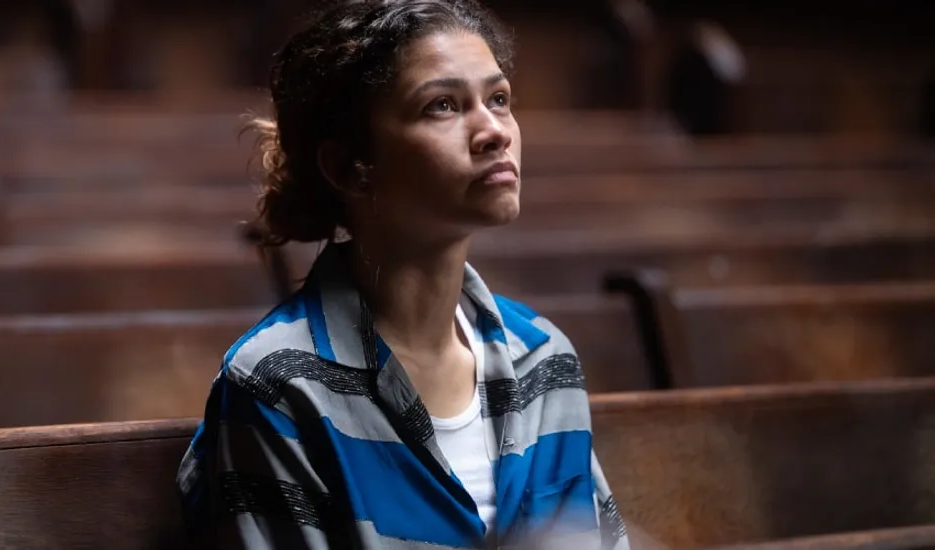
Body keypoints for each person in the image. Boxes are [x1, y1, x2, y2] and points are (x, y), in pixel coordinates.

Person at [177, 1, 629, 548]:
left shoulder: (544, 360)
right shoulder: (279, 386)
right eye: (442, 105)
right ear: (349, 166)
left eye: (499, 99)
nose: (494, 131)